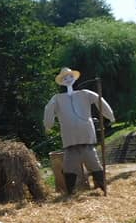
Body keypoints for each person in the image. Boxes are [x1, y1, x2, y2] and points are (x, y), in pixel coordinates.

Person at [43, 67, 115, 195]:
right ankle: (70, 192)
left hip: (86, 138)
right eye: (65, 78)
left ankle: (102, 187)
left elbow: (99, 100)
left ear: (74, 78)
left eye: (70, 76)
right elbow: (48, 109)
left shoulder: (85, 94)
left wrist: (110, 115)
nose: (68, 79)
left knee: (94, 163)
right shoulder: (57, 99)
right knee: (69, 167)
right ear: (62, 81)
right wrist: (48, 125)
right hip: (70, 142)